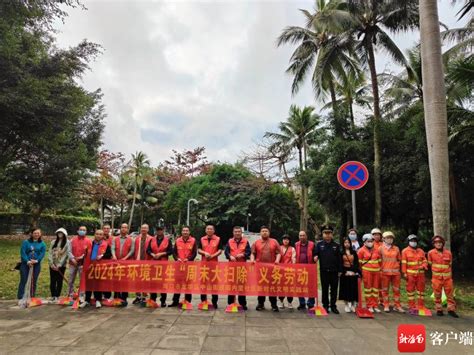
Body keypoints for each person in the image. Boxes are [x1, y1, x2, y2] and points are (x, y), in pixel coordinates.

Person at [250, 226, 281, 312]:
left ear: (269, 233)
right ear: (260, 233)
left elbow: (278, 253)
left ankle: (274, 304)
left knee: (272, 287)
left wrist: (277, 260)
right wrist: (252, 260)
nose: (264, 232)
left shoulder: (274, 241)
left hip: (272, 269)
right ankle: (261, 303)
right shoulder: (256, 242)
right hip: (260, 269)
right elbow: (253, 253)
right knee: (261, 287)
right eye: (263, 231)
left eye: (266, 231)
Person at [428, 235, 458, 318]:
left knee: (450, 295)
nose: (438, 244)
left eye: (440, 243)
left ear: (443, 244)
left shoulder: (448, 253)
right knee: (437, 294)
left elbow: (450, 265)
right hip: (436, 278)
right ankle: (439, 309)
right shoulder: (431, 253)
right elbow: (430, 264)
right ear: (434, 244)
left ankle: (451, 310)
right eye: (436, 243)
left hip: (447, 278)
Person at [315, 225, 341, 314]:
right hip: (324, 271)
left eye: (329, 233)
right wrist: (315, 257)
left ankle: (333, 306)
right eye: (325, 233)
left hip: (334, 272)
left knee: (334, 290)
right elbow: (315, 254)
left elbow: (339, 259)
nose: (327, 235)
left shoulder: (336, 245)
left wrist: (340, 270)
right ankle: (325, 306)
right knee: (325, 289)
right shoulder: (319, 245)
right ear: (322, 234)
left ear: (332, 234)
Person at [169, 226, 197, 307]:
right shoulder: (177, 240)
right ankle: (175, 301)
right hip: (178, 266)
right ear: (181, 232)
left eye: (187, 231)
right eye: (184, 230)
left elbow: (194, 253)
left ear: (189, 232)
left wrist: (188, 259)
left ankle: (187, 301)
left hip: (189, 266)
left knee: (188, 284)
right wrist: (176, 259)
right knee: (177, 284)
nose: (185, 232)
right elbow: (174, 252)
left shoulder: (193, 240)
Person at [80, 229, 108, 308]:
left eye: (100, 234)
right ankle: (87, 300)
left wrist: (102, 256)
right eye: (97, 234)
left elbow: (108, 254)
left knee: (97, 284)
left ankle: (98, 300)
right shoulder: (90, 243)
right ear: (94, 235)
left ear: (103, 236)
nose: (98, 235)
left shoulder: (105, 244)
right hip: (89, 266)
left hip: (99, 267)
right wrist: (82, 263)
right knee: (88, 284)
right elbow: (85, 254)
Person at [225, 226, 251, 310]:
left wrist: (243, 255)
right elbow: (226, 252)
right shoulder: (230, 241)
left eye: (239, 232)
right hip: (231, 267)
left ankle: (242, 303)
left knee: (241, 286)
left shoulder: (245, 241)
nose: (237, 233)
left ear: (241, 232)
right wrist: (230, 256)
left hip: (242, 267)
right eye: (235, 232)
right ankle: (231, 303)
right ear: (233, 233)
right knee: (231, 285)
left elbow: (248, 252)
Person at [17, 229, 47, 300]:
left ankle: (32, 296)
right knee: (23, 280)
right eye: (35, 233)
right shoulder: (26, 242)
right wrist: (27, 261)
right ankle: (20, 297)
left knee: (34, 281)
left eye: (38, 233)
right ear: (32, 234)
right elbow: (23, 252)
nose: (36, 234)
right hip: (25, 264)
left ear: (40, 234)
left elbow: (42, 254)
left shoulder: (42, 244)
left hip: (36, 265)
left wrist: (37, 260)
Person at [147, 226, 172, 307]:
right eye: (158, 230)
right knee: (153, 282)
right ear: (156, 231)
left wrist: (162, 254)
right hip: (153, 264)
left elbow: (170, 251)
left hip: (163, 264)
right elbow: (148, 250)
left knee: (163, 283)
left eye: (161, 230)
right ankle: (153, 299)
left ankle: (163, 300)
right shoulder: (152, 239)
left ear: (163, 231)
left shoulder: (167, 240)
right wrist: (152, 254)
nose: (159, 232)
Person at [401, 234, 428, 312]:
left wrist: (424, 265)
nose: (413, 242)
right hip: (410, 275)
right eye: (412, 241)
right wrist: (404, 273)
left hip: (420, 274)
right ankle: (411, 306)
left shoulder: (421, 251)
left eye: (415, 241)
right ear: (408, 242)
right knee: (410, 291)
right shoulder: (405, 251)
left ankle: (421, 306)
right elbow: (403, 263)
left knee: (421, 291)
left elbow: (425, 261)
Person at [198, 225, 222, 309]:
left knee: (214, 283)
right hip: (203, 264)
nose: (209, 230)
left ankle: (214, 302)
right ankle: (203, 301)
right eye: (208, 229)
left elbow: (220, 250)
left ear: (214, 231)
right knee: (203, 283)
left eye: (211, 229)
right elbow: (199, 249)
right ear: (205, 230)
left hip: (214, 265)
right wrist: (204, 253)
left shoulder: (218, 239)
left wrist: (212, 255)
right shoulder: (202, 239)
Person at [379, 231, 404, 313]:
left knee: (396, 290)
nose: (390, 239)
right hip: (385, 273)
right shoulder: (380, 248)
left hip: (395, 273)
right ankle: (386, 304)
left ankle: (397, 305)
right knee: (385, 290)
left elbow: (399, 260)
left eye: (391, 238)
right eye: (388, 238)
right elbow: (378, 261)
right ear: (383, 239)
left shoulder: (396, 248)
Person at [357, 234, 382, 313]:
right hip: (367, 272)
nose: (370, 243)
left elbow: (380, 261)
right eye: (368, 241)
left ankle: (375, 305)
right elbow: (359, 263)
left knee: (375, 289)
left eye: (371, 241)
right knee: (368, 289)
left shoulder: (376, 250)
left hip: (376, 272)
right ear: (364, 242)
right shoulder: (361, 250)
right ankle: (369, 305)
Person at [111, 223, 135, 304]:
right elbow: (113, 248)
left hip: (126, 263)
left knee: (125, 281)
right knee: (116, 280)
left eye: (125, 227)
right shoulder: (115, 239)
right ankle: (116, 297)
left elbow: (132, 250)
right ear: (120, 229)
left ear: (127, 229)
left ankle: (124, 298)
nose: (124, 229)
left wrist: (125, 258)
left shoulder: (131, 239)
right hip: (116, 263)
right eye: (122, 227)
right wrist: (114, 256)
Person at [295, 230, 317, 310]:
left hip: (310, 268)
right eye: (300, 235)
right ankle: (302, 303)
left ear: (306, 236)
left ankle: (311, 304)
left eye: (303, 235)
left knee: (311, 286)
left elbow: (315, 253)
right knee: (300, 286)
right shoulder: (296, 244)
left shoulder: (312, 244)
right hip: (299, 269)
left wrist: (315, 257)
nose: (302, 237)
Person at [68, 226, 92, 298]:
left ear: (86, 232)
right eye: (81, 230)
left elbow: (89, 252)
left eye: (84, 230)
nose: (82, 231)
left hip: (83, 264)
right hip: (73, 263)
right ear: (77, 231)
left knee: (82, 280)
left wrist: (82, 258)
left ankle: (81, 294)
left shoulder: (89, 241)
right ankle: (70, 294)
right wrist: (73, 259)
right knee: (71, 279)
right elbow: (68, 251)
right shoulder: (72, 240)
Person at [132, 224, 153, 304]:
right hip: (137, 262)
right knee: (137, 280)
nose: (143, 229)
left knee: (145, 279)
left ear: (148, 229)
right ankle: (138, 296)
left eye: (145, 228)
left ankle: (144, 296)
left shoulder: (151, 239)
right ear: (140, 229)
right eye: (142, 228)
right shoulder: (136, 239)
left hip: (147, 262)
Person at [48, 228, 70, 301]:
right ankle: (53, 295)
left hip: (61, 265)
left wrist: (60, 264)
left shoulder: (67, 243)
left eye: (61, 233)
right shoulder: (53, 242)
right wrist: (51, 263)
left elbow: (66, 254)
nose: (60, 234)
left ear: (64, 234)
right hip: (53, 265)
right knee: (52, 280)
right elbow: (50, 253)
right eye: (58, 233)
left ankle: (57, 295)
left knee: (59, 280)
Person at [339, 237, 359, 313]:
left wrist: (353, 271)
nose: (347, 244)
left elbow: (356, 263)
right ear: (343, 244)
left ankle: (353, 304)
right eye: (345, 242)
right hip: (345, 273)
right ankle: (347, 304)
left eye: (348, 242)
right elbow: (340, 263)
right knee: (345, 289)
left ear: (350, 243)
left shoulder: (354, 252)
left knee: (353, 289)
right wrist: (345, 272)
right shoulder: (341, 252)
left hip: (353, 273)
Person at [278, 234, 296, 309]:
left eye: (287, 239)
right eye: (284, 239)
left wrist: (293, 267)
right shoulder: (279, 248)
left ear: (289, 241)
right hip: (280, 271)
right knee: (281, 287)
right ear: (282, 240)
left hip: (289, 271)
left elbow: (294, 259)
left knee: (289, 287)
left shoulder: (292, 249)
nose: (285, 241)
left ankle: (290, 302)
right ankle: (281, 302)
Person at [371, 228, 383, 305]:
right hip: (373, 268)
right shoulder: (370, 244)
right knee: (373, 285)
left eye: (378, 235)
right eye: (375, 235)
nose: (377, 236)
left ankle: (382, 300)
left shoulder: (383, 244)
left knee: (382, 285)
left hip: (383, 267)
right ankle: (373, 301)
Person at [101, 224, 113, 300]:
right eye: (104, 228)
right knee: (101, 278)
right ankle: (101, 294)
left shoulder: (112, 239)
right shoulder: (99, 238)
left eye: (107, 228)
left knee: (108, 279)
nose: (106, 230)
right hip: (100, 262)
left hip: (109, 262)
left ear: (109, 230)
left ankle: (107, 296)